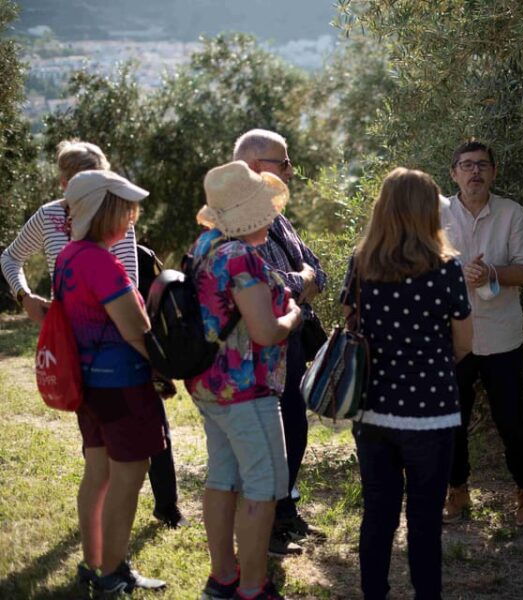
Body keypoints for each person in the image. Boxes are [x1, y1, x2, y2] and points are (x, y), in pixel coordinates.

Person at [0, 140, 186, 529]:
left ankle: (166, 506)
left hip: (118, 335)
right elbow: (10, 256)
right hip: (75, 343)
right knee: (98, 433)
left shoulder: (118, 222)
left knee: (152, 423)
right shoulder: (48, 217)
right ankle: (104, 532)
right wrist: (25, 297)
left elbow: (130, 284)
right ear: (65, 182)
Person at [341, 167, 473, 600]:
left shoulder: (361, 264)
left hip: (373, 408)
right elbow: (464, 342)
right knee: (424, 518)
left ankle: (374, 594)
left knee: (377, 514)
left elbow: (351, 323)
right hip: (431, 412)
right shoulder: (446, 269)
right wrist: (432, 363)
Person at [188, 160, 303, 600]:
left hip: (209, 386)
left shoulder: (205, 245)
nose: (271, 217)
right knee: (263, 484)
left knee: (222, 477)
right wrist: (292, 314)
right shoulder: (241, 258)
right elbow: (266, 332)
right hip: (246, 391)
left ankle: (223, 577)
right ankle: (253, 587)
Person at [56, 170, 167, 594]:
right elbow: (135, 329)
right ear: (106, 210)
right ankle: (113, 572)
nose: (132, 216)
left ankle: (93, 562)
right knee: (128, 476)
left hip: (90, 386)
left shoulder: (70, 255)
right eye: (126, 208)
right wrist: (162, 369)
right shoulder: (101, 261)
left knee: (97, 474)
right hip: (122, 386)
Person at [232, 129, 327, 556]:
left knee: (295, 427)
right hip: (262, 348)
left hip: (293, 340)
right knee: (272, 438)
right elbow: (265, 282)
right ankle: (267, 528)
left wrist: (303, 280)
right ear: (254, 167)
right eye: (282, 162)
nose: (290, 169)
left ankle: (286, 510)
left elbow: (318, 270)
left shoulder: (277, 214)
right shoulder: (234, 220)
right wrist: (301, 280)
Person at [440, 140, 523, 526]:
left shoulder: (512, 214)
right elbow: (419, 267)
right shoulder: (437, 213)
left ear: (494, 172)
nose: (475, 172)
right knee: (452, 418)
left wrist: (492, 273)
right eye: (466, 165)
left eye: (482, 165)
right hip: (452, 337)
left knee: (512, 420)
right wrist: (455, 274)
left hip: (501, 336)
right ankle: (457, 489)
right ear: (453, 174)